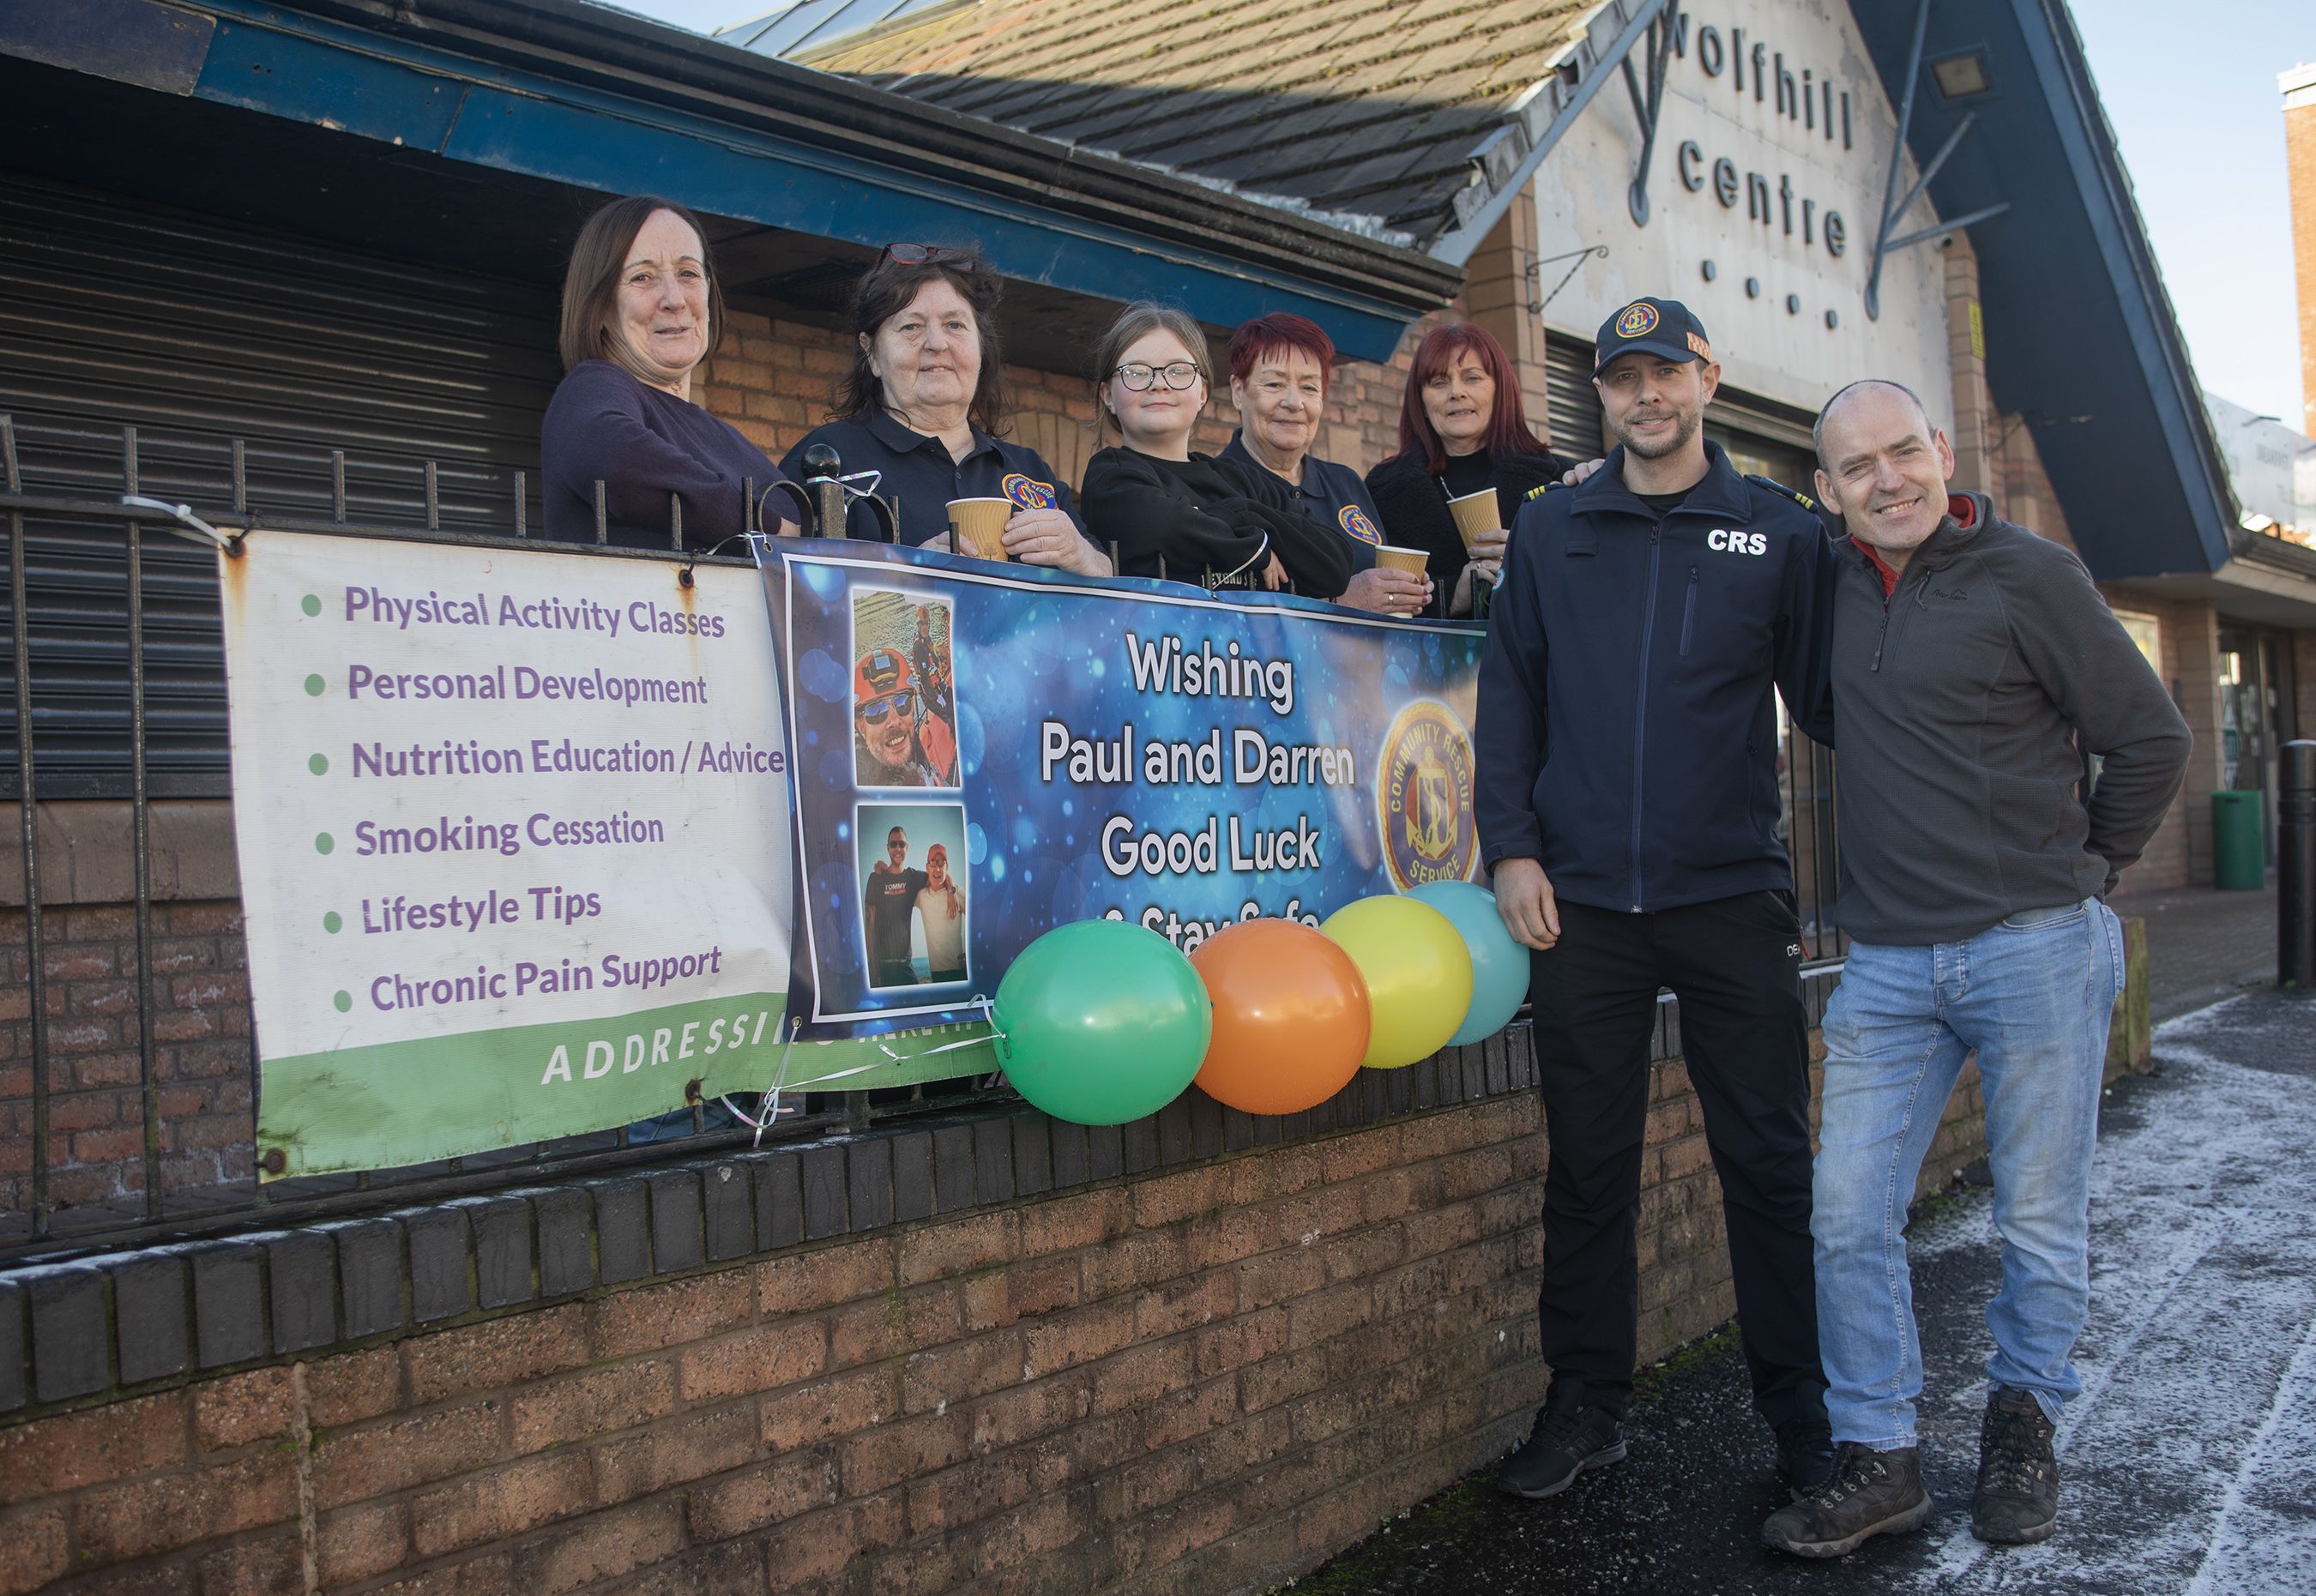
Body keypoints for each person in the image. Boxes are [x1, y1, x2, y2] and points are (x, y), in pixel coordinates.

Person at [1760, 382, 2191, 1559]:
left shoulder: (2031, 574)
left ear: (1942, 454)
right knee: (1845, 1211)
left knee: (2038, 1216)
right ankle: (1881, 1455)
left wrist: (2090, 868)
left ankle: (2023, 1423)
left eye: (1904, 452)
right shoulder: (1831, 583)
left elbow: (2153, 736)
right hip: (1889, 963)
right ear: (1829, 492)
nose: (1886, 479)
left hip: (2034, 947)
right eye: (1856, 466)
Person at [1476, 297, 1838, 1504]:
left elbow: (1839, 702)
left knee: (1770, 1163)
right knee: (1586, 1168)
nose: (1646, 397)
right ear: (1606, 397)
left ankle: (1803, 1421)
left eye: (1665, 374)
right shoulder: (1555, 527)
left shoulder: (1778, 533)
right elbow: (1510, 699)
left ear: (1707, 379)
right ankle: (1586, 1405)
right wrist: (1512, 849)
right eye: (1623, 378)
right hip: (1578, 904)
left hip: (1730, 894)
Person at [781, 244, 1109, 574]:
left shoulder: (1029, 469)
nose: (937, 343)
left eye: (955, 325)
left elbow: (1112, 590)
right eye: (911, 326)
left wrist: (1082, 555)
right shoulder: (827, 457)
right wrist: (909, 573)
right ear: (872, 354)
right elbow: (785, 589)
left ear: (982, 347)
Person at [541, 195, 798, 546]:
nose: (674, 299)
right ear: (599, 307)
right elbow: (612, 457)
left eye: (688, 273)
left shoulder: (724, 435)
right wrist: (770, 528)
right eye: (643, 277)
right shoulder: (593, 387)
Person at [1079, 303, 1356, 597]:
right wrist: (1256, 545)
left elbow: (1334, 563)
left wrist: (1240, 512)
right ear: (1108, 395)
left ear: (1202, 393)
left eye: (1178, 371)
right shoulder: (1110, 478)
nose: (1159, 384)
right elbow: (1166, 527)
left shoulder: (1242, 480)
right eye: (1136, 372)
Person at [1221, 313, 1430, 617]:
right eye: (1275, 383)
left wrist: (1407, 591)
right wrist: (1342, 603)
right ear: (1238, 392)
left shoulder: (1346, 483)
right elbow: (1214, 621)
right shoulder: (1214, 488)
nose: (1294, 402)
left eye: (1309, 388)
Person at [1366, 322, 1570, 617]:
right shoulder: (1381, 491)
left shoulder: (1561, 481)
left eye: (1472, 378)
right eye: (1438, 383)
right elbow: (1372, 602)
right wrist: (1452, 594)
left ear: (1499, 390)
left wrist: (1532, 560)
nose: (1456, 392)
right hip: (1428, 660)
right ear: (1421, 402)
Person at [854, 648, 942, 788]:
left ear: (912, 707)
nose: (895, 720)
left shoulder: (912, 744)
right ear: (861, 727)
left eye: (902, 703)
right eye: (876, 710)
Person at [863, 826, 928, 986]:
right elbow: (869, 925)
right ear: (888, 848)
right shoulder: (876, 879)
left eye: (901, 844)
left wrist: (951, 891)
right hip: (883, 968)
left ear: (907, 847)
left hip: (906, 966)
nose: (897, 848)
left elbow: (939, 875)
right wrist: (873, 970)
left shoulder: (913, 877)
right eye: (893, 844)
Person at [917, 843, 968, 984]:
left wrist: (972, 953)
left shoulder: (957, 893)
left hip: (959, 971)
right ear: (927, 868)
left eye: (941, 864)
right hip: (937, 974)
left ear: (947, 867)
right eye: (933, 863)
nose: (937, 869)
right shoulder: (921, 896)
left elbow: (979, 919)